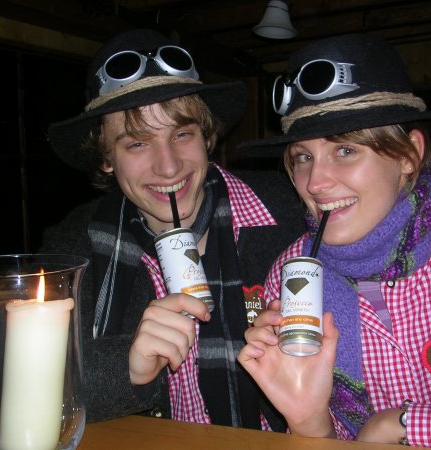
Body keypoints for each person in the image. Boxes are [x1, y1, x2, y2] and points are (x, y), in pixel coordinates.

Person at [236, 33, 431, 449]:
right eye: (304, 157)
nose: (315, 183)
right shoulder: (293, 276)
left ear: (407, 155)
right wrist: (310, 423)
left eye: (345, 150)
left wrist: (401, 426)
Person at [40, 28, 306, 428]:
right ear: (106, 158)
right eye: (137, 143)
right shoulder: (73, 244)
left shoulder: (292, 211)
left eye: (181, 134)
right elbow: (10, 375)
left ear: (207, 137)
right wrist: (125, 366)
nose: (168, 167)